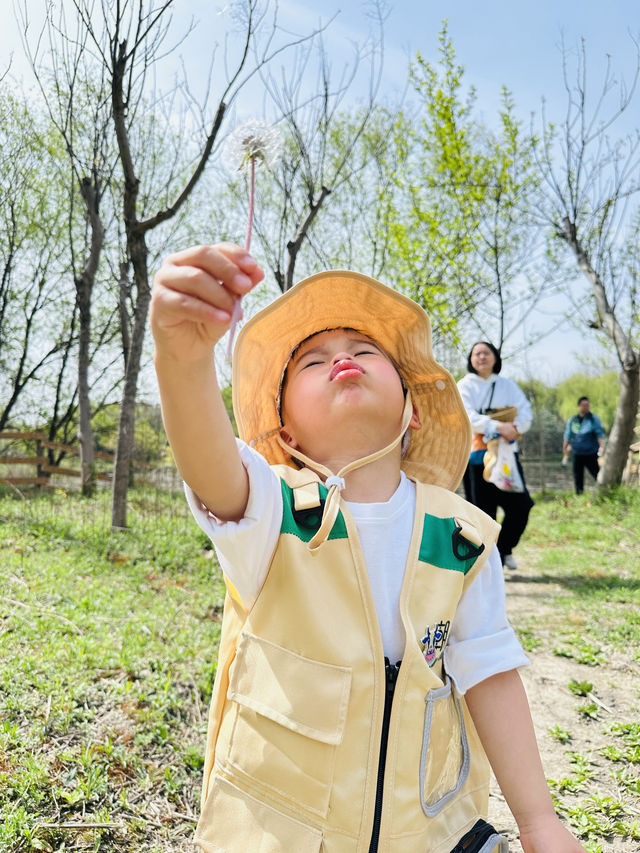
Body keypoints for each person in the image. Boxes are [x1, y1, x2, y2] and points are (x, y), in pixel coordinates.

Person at [151, 243, 586, 853]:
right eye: (312, 362)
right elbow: (208, 461)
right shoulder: (271, 509)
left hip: (427, 832)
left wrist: (539, 821)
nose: (342, 359)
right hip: (284, 833)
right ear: (285, 429)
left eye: (364, 352)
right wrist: (181, 358)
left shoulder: (460, 537)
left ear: (410, 412)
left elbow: (490, 677)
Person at [457, 342, 534, 572]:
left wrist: (515, 427)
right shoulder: (464, 386)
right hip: (477, 457)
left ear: (495, 357)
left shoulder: (507, 385)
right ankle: (487, 566)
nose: (481, 357)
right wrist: (500, 425)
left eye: (486, 353)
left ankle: (505, 548)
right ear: (471, 359)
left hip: (506, 457)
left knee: (521, 506)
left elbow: (526, 413)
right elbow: (465, 416)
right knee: (482, 512)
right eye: (476, 353)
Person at [562, 396, 605, 494]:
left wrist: (602, 447)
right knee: (578, 476)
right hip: (577, 452)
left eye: (587, 405)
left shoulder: (594, 419)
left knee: (596, 474)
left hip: (591, 452)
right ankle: (579, 495)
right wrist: (564, 447)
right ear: (578, 406)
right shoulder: (573, 420)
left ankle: (603, 491)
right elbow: (567, 435)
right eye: (583, 405)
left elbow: (599, 434)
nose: (586, 407)